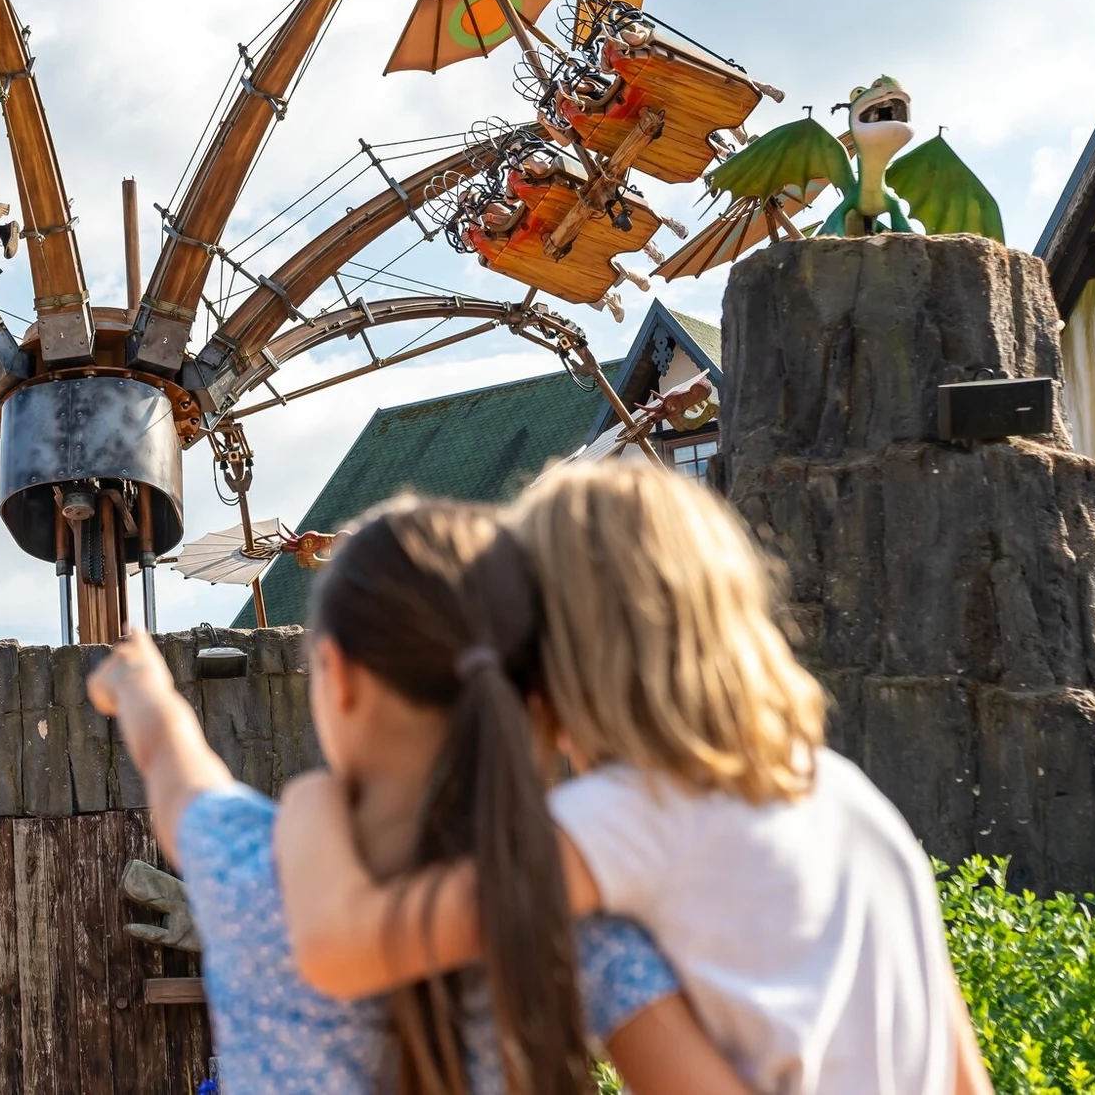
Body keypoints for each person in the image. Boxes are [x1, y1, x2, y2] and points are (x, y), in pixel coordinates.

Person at [274, 461, 994, 1095]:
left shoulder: (624, 817)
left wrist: (308, 802)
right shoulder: (844, 793)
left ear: (561, 647)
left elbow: (347, 946)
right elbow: (962, 1073)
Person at [88, 497, 754, 1095]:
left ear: (337, 678)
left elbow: (178, 773)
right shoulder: (568, 923)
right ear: (532, 696)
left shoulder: (254, 871)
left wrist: (141, 688)